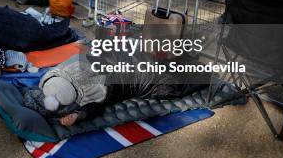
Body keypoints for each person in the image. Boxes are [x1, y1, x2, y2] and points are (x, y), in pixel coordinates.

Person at [35, 53, 208, 127]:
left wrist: (79, 116)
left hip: (135, 76)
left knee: (168, 89)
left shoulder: (97, 87)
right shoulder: (58, 76)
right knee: (158, 66)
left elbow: (96, 106)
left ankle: (203, 73)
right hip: (126, 58)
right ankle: (184, 62)